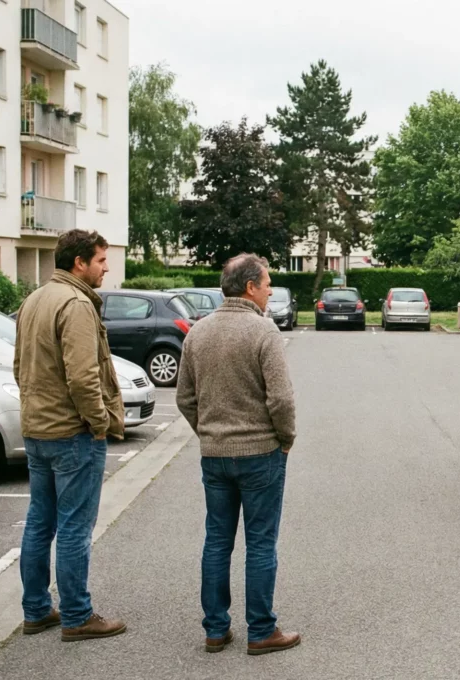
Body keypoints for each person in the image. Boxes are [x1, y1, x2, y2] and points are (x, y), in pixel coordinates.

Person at [176, 253, 299, 656]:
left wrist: (208, 433)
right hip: (261, 452)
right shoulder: (264, 331)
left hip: (214, 455)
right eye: (266, 285)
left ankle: (215, 629)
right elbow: (280, 398)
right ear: (249, 287)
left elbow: (184, 398)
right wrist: (286, 438)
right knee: (261, 543)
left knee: (217, 541)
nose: (269, 291)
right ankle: (262, 630)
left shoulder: (198, 332)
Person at [13, 229, 126, 641]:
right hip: (70, 433)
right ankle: (78, 616)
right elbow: (83, 377)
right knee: (75, 525)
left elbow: (19, 365)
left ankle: (37, 610)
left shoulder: (34, 299)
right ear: (79, 263)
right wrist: (98, 423)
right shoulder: (76, 303)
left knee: (39, 522)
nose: (106, 267)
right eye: (100, 260)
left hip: (37, 430)